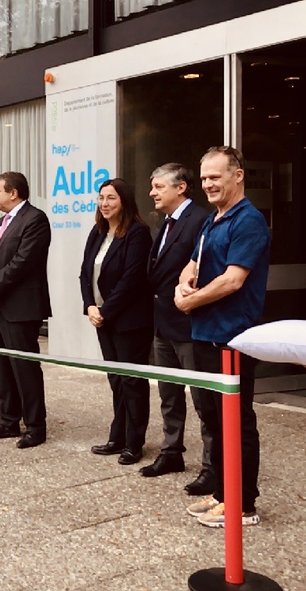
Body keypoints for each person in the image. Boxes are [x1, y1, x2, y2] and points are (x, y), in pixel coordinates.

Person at [175, 146, 270, 528]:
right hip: (205, 335)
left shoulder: (248, 220)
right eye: (204, 178)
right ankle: (223, 493)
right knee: (214, 421)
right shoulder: (213, 219)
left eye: (215, 176)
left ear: (238, 175)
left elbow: (233, 280)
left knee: (237, 423)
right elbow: (192, 264)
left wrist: (190, 301)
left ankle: (243, 505)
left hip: (232, 339)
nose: (208, 184)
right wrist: (183, 285)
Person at [141, 163, 213, 494]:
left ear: (180, 187)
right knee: (169, 395)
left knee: (203, 401)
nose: (152, 193)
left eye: (158, 187)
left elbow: (204, 271)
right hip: (163, 326)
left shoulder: (200, 221)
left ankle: (212, 467)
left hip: (190, 326)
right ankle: (171, 453)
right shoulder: (165, 223)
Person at [80, 178, 153, 465]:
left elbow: (132, 279)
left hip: (129, 321)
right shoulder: (97, 232)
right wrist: (90, 305)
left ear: (124, 201)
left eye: (111, 198)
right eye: (101, 198)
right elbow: (85, 273)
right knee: (116, 380)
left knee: (132, 382)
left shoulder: (137, 233)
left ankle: (134, 442)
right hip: (103, 319)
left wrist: (106, 310)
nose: (105, 203)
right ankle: (117, 436)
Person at [0, 171, 51, 449]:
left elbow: (23, 262)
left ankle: (35, 426)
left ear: (14, 193)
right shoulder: (1, 223)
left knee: (25, 368)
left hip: (21, 306)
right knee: (5, 365)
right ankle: (8, 420)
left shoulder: (35, 220)